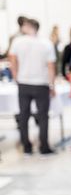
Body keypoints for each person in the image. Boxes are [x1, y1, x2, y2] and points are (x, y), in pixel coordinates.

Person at [8, 19, 56, 155]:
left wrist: (16, 76)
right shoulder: (46, 43)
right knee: (42, 116)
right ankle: (44, 147)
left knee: (24, 116)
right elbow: (51, 67)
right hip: (41, 84)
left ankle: (27, 147)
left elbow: (12, 60)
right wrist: (52, 85)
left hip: (24, 83)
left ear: (29, 27)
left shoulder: (18, 42)